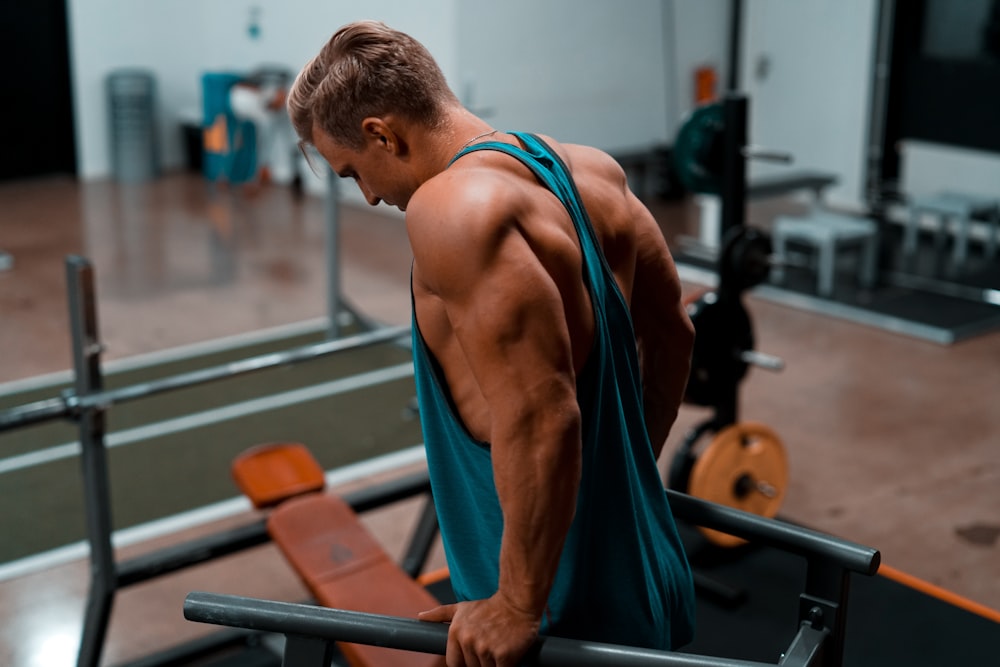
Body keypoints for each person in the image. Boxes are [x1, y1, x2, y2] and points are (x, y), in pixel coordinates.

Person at [287, 20, 696, 667]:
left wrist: (516, 603)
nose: (367, 194)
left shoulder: (450, 209)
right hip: (642, 569)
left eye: (350, 173)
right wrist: (626, 472)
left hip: (561, 613)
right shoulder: (589, 171)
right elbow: (673, 332)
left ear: (381, 133)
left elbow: (541, 414)